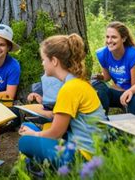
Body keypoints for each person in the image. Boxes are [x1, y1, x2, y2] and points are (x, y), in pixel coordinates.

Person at [18, 34, 107, 167]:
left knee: (24, 141)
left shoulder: (69, 88)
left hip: (83, 156)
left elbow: (56, 132)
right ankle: (40, 166)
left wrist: (33, 134)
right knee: (28, 128)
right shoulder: (77, 82)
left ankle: (43, 168)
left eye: (44, 59)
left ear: (54, 61)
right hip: (89, 148)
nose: (42, 63)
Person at [92, 21, 135, 112]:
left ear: (123, 38)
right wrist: (99, 77)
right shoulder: (102, 54)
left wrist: (116, 87)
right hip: (115, 92)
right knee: (98, 86)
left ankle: (128, 111)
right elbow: (107, 78)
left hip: (131, 94)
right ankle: (101, 118)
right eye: (107, 37)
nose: (109, 41)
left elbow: (134, 86)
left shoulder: (133, 55)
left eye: (114, 37)